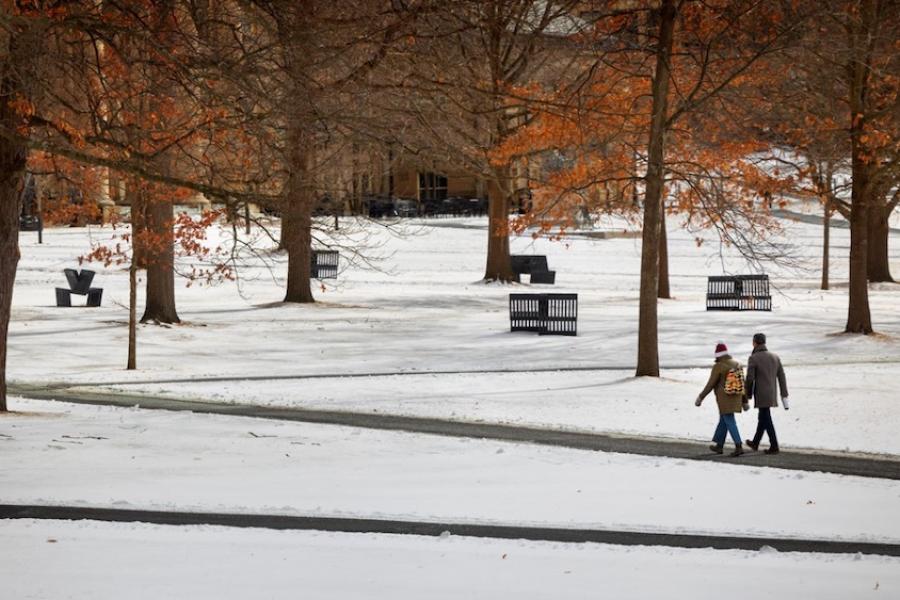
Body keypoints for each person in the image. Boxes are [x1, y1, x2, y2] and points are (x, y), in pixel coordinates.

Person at [695, 341, 747, 457]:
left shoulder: (718, 366)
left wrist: (700, 397)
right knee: (723, 421)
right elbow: (742, 383)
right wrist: (744, 401)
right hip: (736, 397)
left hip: (725, 399)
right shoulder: (737, 364)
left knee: (729, 420)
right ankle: (719, 445)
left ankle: (739, 446)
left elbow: (710, 384)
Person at [744, 332, 789, 454]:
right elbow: (782, 377)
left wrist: (746, 394)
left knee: (766, 418)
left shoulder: (753, 358)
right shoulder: (775, 357)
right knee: (763, 417)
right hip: (771, 393)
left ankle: (774, 446)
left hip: (761, 393)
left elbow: (750, 378)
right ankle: (755, 442)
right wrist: (784, 395)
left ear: (755, 343)